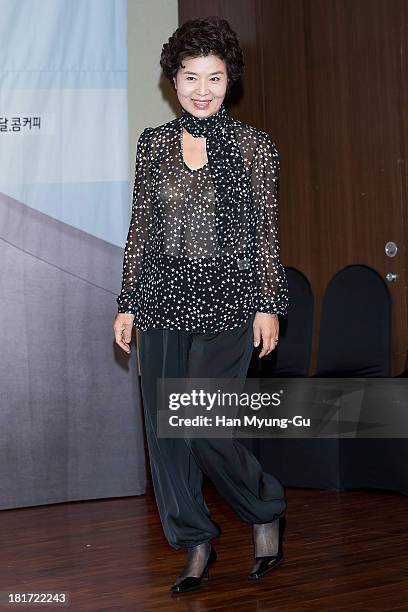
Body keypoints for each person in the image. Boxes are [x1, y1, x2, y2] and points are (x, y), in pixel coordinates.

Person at [113, 16, 289, 594]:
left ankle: (264, 509)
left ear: (229, 79)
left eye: (214, 77)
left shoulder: (254, 146)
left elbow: (265, 232)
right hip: (162, 302)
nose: (202, 89)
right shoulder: (153, 145)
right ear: (174, 80)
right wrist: (128, 303)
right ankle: (195, 541)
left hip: (230, 306)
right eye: (191, 77)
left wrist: (268, 304)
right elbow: (144, 229)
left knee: (203, 425)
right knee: (166, 434)